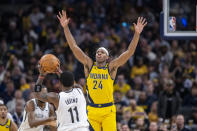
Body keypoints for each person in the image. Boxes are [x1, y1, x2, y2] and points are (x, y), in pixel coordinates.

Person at [57, 10, 147, 131]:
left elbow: (129, 52)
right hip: (92, 111)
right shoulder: (89, 65)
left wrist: (137, 34)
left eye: (102, 52)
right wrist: (65, 27)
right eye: (98, 52)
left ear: (107, 57)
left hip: (108, 111)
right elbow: (74, 47)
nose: (99, 53)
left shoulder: (111, 67)